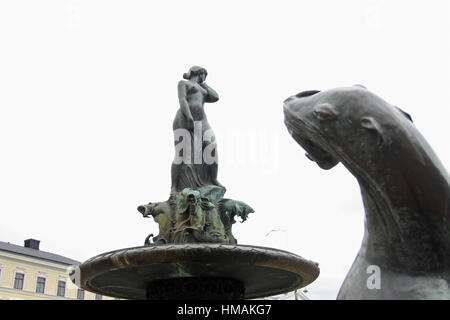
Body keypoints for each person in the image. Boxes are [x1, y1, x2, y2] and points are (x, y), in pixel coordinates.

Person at [171, 66, 223, 193]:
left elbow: (216, 97)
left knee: (211, 147)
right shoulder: (183, 83)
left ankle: (213, 179)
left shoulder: (202, 88)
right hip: (184, 118)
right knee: (181, 154)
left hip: (201, 121)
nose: (205, 78)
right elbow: (182, 99)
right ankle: (174, 186)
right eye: (205, 75)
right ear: (200, 73)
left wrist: (204, 85)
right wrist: (188, 116)